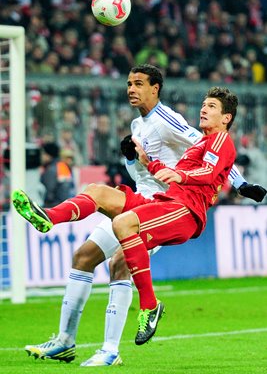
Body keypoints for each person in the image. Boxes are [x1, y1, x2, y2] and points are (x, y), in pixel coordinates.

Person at [13, 67, 266, 365]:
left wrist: (240, 184)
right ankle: (65, 340)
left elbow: (211, 149)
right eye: (129, 83)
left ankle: (110, 350)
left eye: (139, 84)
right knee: (84, 254)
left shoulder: (169, 119)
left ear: (155, 88)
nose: (131, 89)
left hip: (166, 205)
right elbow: (144, 172)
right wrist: (132, 158)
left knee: (119, 262)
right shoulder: (138, 125)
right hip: (145, 195)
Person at [39, 142, 75, 207]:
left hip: (53, 207)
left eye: (43, 154)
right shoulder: (63, 166)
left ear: (48, 155)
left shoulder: (51, 169)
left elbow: (48, 193)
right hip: (64, 205)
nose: (42, 156)